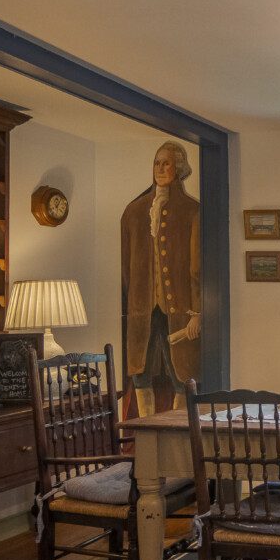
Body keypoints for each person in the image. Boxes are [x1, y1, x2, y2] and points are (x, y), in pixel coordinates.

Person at [120, 141, 200, 415]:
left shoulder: (191, 210)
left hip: (179, 311)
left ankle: (180, 428)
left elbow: (196, 269)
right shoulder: (133, 211)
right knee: (139, 373)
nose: (161, 168)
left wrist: (197, 312)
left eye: (167, 163)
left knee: (182, 374)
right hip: (141, 309)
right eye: (157, 163)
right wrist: (133, 302)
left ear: (179, 168)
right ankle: (146, 428)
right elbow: (126, 269)